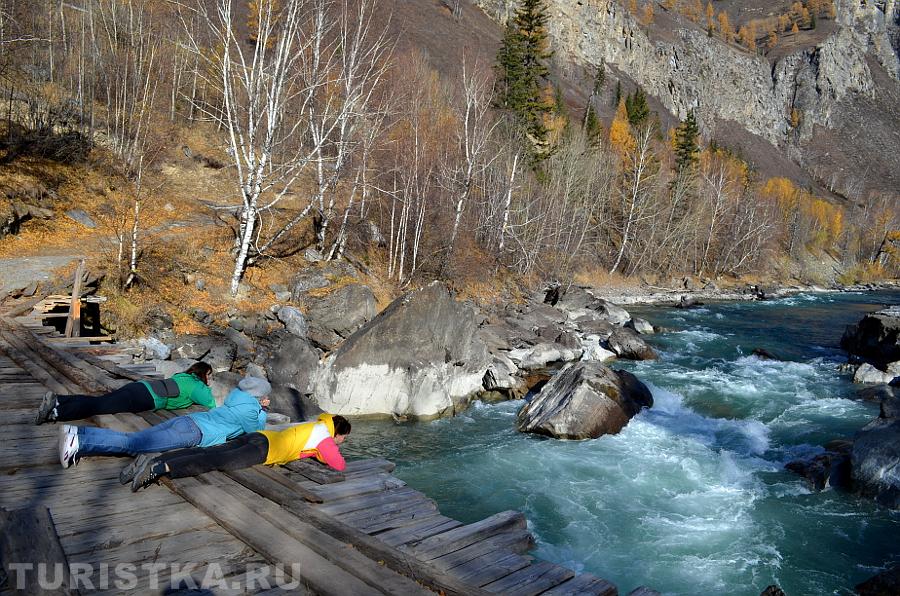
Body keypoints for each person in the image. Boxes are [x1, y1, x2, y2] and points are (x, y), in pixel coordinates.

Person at [58, 376, 271, 469]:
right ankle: (78, 443)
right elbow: (256, 433)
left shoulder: (236, 397)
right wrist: (263, 411)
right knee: (134, 444)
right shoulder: (250, 410)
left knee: (135, 439)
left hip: (188, 421)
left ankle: (78, 433)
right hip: (194, 433)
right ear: (259, 397)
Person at [127, 413, 351, 492]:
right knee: (213, 461)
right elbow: (338, 464)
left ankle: (154, 459)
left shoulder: (316, 425)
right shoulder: (326, 438)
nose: (341, 442)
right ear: (338, 433)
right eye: (343, 438)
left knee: (207, 451)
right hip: (264, 450)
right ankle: (159, 468)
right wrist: (332, 449)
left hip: (260, 436)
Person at [35, 362, 215, 425]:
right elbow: (211, 405)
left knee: (100, 401)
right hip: (145, 398)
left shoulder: (183, 376)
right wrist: (209, 388)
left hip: (139, 387)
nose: (211, 380)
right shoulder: (198, 387)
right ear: (204, 374)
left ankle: (58, 400)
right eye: (210, 376)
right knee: (98, 406)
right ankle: (56, 413)